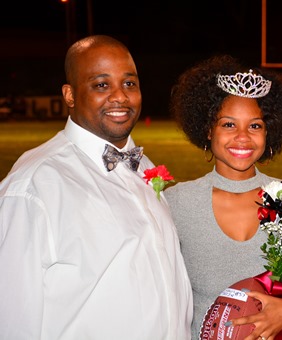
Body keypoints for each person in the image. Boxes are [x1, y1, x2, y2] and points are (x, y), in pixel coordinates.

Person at [0, 35, 192, 339]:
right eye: (101, 85)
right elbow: (11, 319)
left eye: (129, 83)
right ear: (70, 95)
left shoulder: (141, 164)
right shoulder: (34, 186)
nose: (120, 96)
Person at [164, 54, 282, 340]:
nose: (243, 137)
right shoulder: (178, 202)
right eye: (229, 124)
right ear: (208, 129)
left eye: (255, 126)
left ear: (269, 133)